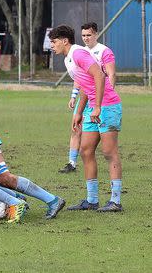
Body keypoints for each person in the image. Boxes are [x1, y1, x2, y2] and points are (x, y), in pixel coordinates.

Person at [49, 25, 124, 212]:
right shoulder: (69, 58)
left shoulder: (78, 54)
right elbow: (85, 84)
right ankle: (92, 200)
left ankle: (115, 201)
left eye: (54, 41)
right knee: (86, 150)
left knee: (109, 152)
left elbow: (99, 75)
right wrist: (78, 112)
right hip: (93, 106)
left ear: (65, 40)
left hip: (107, 104)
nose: (52, 45)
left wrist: (97, 106)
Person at [59, 22, 117, 173]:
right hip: (85, 96)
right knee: (76, 127)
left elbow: (109, 74)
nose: (85, 38)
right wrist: (73, 96)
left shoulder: (104, 51)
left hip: (100, 98)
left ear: (96, 34)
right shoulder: (78, 52)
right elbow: (80, 78)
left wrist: (102, 96)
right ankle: (72, 162)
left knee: (103, 140)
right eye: (83, 35)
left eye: (88, 35)